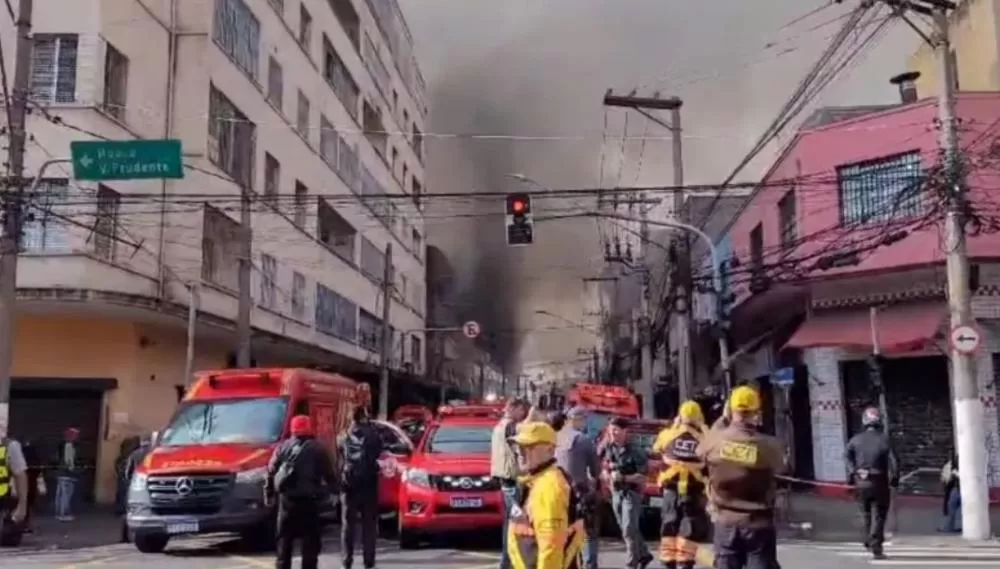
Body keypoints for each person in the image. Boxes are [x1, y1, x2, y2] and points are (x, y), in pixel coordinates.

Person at [697, 386, 785, 569]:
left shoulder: (714, 441)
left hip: (725, 522)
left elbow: (701, 452)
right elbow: (783, 469)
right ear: (756, 413)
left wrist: (722, 420)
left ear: (730, 410)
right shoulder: (770, 446)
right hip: (758, 525)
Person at [507, 421, 586, 569]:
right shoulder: (537, 481)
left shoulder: (549, 485)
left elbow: (551, 546)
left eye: (529, 447)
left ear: (550, 450)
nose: (520, 452)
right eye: (519, 447)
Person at [265, 415, 338, 569]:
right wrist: (334, 493)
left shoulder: (283, 447)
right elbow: (329, 474)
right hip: (309, 502)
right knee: (310, 542)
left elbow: (271, 471)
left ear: (292, 430)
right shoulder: (317, 449)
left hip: (286, 503)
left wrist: (269, 493)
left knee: (284, 542)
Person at [653, 400, 709, 569]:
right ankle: (685, 563)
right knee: (689, 525)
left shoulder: (667, 435)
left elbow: (656, 448)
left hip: (671, 489)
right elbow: (713, 451)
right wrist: (703, 426)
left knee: (669, 524)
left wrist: (673, 427)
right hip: (693, 491)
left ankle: (668, 562)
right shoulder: (704, 438)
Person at [844, 406, 898, 559]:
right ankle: (876, 544)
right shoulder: (884, 440)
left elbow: (846, 457)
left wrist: (853, 472)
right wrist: (894, 480)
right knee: (880, 515)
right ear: (879, 422)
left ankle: (868, 539)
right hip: (879, 481)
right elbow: (894, 462)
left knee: (865, 513)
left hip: (861, 482)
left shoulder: (855, 440)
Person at [600, 417, 654, 569]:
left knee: (629, 528)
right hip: (616, 491)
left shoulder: (636, 450)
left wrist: (624, 477)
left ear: (625, 431)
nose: (613, 433)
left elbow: (643, 478)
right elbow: (605, 464)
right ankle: (644, 554)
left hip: (632, 492)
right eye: (611, 430)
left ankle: (631, 563)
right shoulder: (609, 446)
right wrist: (606, 473)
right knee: (625, 528)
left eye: (616, 430)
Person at [337, 406, 383, 569]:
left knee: (347, 525)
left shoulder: (344, 435)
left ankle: (346, 561)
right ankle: (368, 561)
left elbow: (341, 455)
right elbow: (379, 451)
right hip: (369, 484)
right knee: (369, 526)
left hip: (349, 486)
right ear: (364, 416)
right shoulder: (373, 435)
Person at [555, 407, 601, 569]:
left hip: (557, 493)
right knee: (589, 533)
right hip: (580, 493)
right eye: (584, 419)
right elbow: (596, 470)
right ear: (578, 419)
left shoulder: (556, 437)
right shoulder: (583, 440)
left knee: (563, 532)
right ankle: (590, 565)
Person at [491, 398, 529, 569]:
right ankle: (509, 561)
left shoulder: (499, 425)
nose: (523, 414)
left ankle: (506, 561)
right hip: (513, 480)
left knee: (509, 522)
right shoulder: (511, 426)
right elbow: (519, 449)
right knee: (515, 522)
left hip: (503, 479)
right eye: (521, 410)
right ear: (512, 408)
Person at [0, 435, 29, 545]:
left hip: (4, 505)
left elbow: (20, 475)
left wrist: (22, 507)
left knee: (7, 538)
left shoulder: (10, 446)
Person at [54, 427, 80, 522]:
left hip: (60, 472)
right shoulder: (69, 445)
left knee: (60, 494)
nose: (76, 437)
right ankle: (63, 514)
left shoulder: (61, 445)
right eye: (75, 435)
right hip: (66, 473)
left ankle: (58, 513)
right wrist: (72, 470)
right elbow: (69, 461)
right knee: (66, 494)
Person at [940, 451, 961, 533]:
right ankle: (949, 527)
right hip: (955, 487)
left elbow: (945, 478)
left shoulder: (951, 465)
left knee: (951, 508)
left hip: (956, 487)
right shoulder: (951, 465)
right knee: (951, 508)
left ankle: (949, 527)